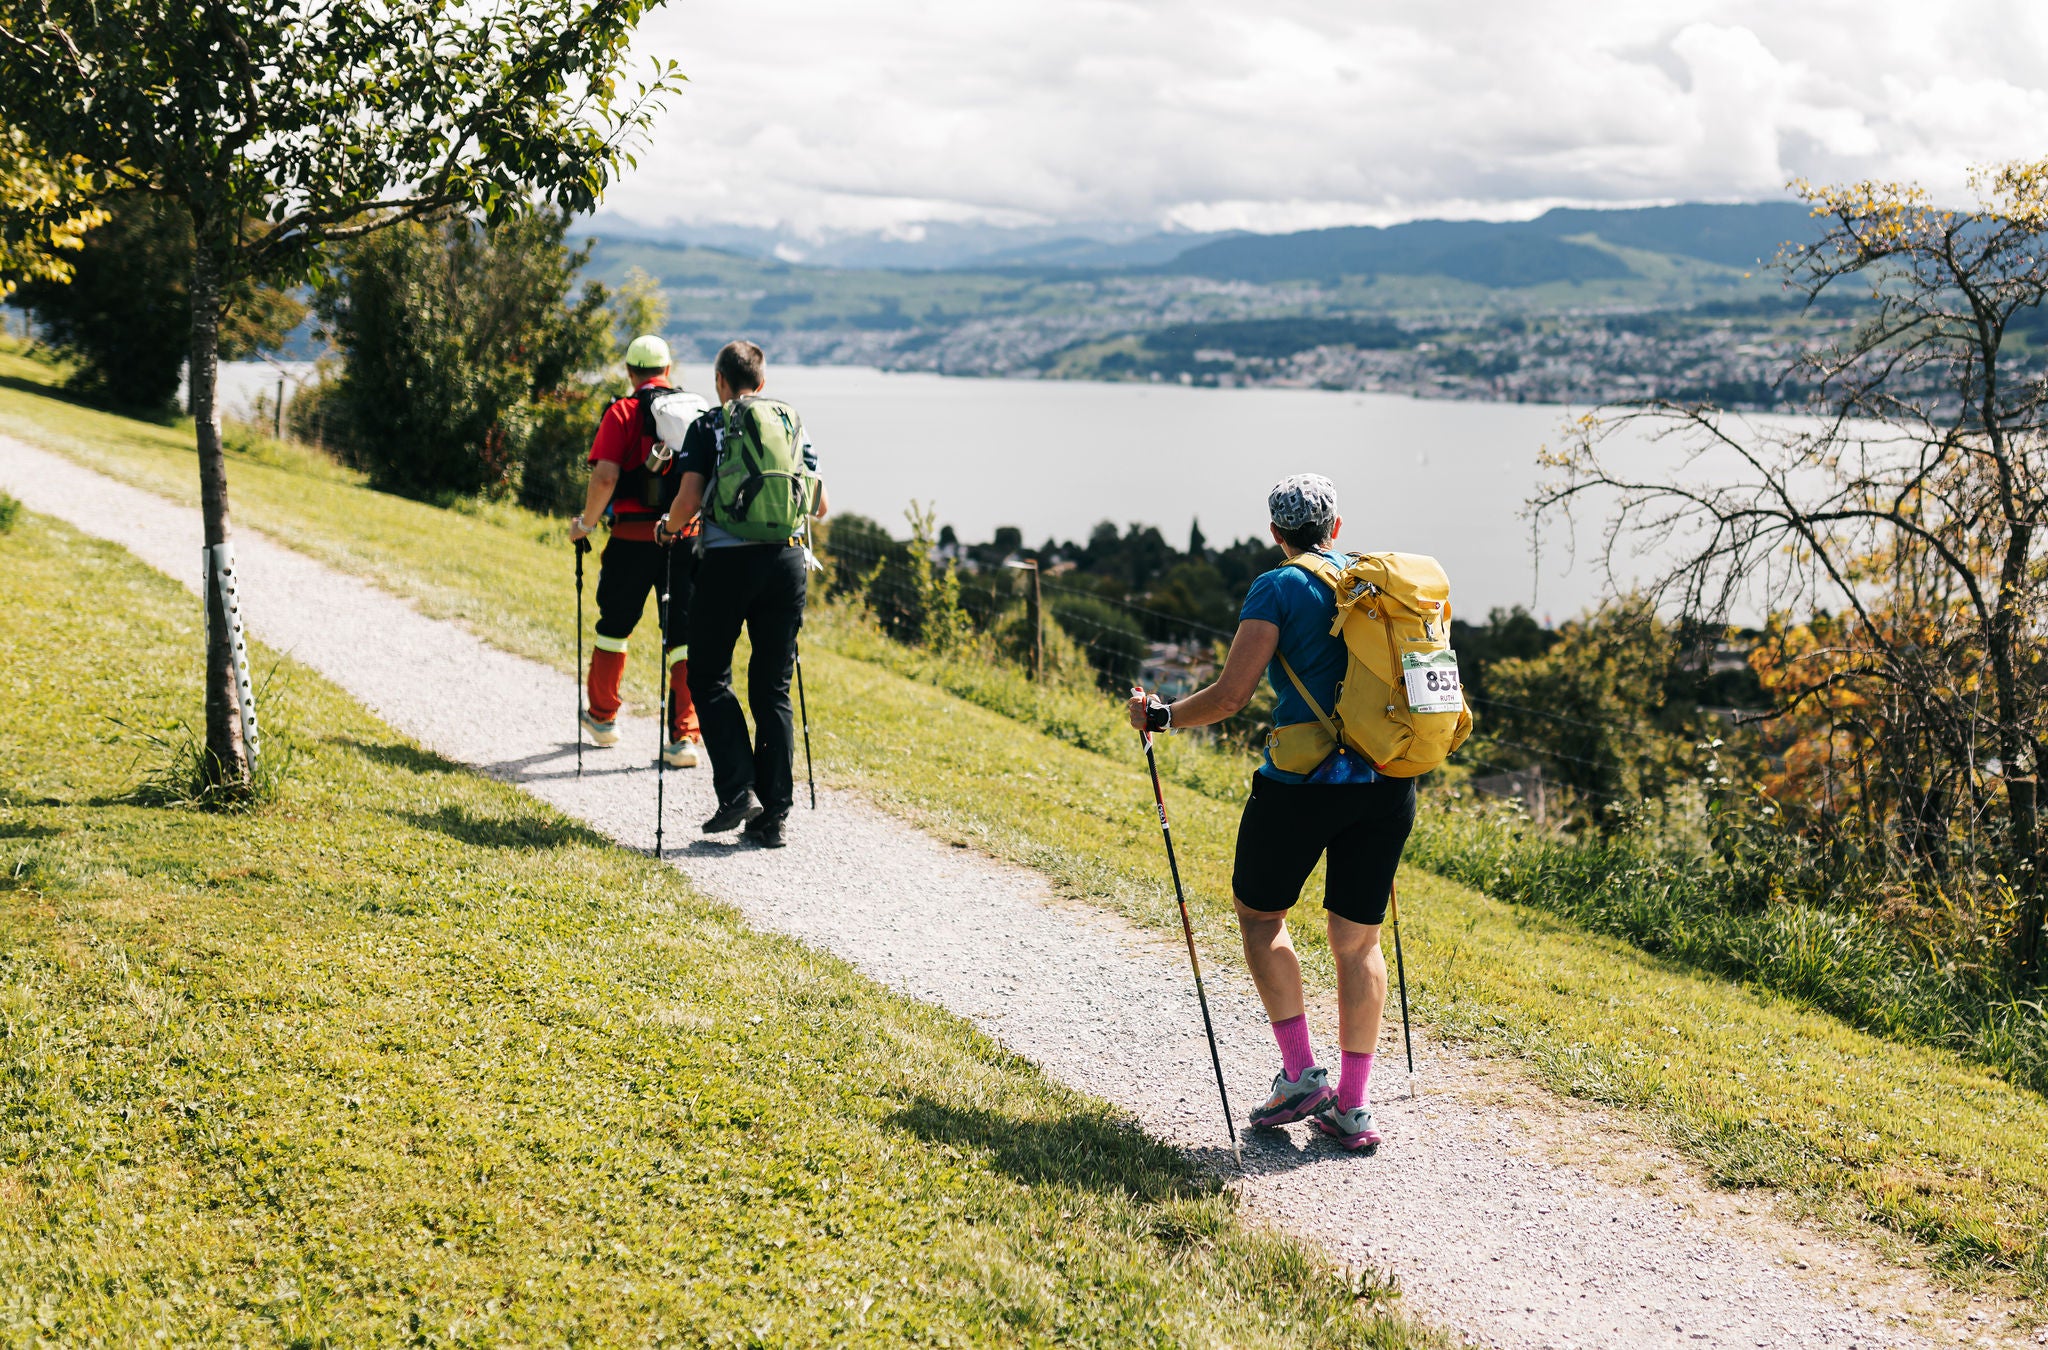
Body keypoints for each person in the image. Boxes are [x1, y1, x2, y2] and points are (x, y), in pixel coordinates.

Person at [1125, 474, 1412, 1153]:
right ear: (1336, 528)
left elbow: (1232, 696)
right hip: (1387, 779)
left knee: (1261, 918)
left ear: (1276, 533)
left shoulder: (1276, 587)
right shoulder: (1380, 584)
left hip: (1301, 785)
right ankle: (1353, 1107)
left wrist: (1162, 717)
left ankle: (1300, 1075)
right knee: (1359, 942)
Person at [657, 340, 829, 849]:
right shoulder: (791, 424)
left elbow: (689, 497)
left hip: (728, 564)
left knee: (708, 674)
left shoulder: (709, 425)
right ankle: (773, 816)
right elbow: (820, 504)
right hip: (787, 563)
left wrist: (668, 530)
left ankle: (738, 789)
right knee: (772, 687)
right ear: (762, 381)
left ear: (720, 381)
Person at [568, 334, 703, 768]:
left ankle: (603, 718)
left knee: (615, 626)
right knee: (684, 638)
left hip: (631, 538)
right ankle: (684, 737)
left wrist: (585, 525)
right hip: (685, 538)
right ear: (668, 370)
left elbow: (605, 477)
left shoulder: (621, 412)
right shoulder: (693, 412)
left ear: (629, 371)